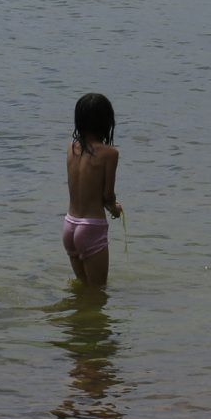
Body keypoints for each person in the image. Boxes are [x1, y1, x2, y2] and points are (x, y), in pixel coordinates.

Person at [62, 93, 123, 287]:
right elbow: (107, 196)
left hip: (69, 225)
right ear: (106, 121)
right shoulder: (109, 153)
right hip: (91, 227)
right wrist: (115, 209)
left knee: (83, 287)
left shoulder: (72, 148)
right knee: (98, 291)